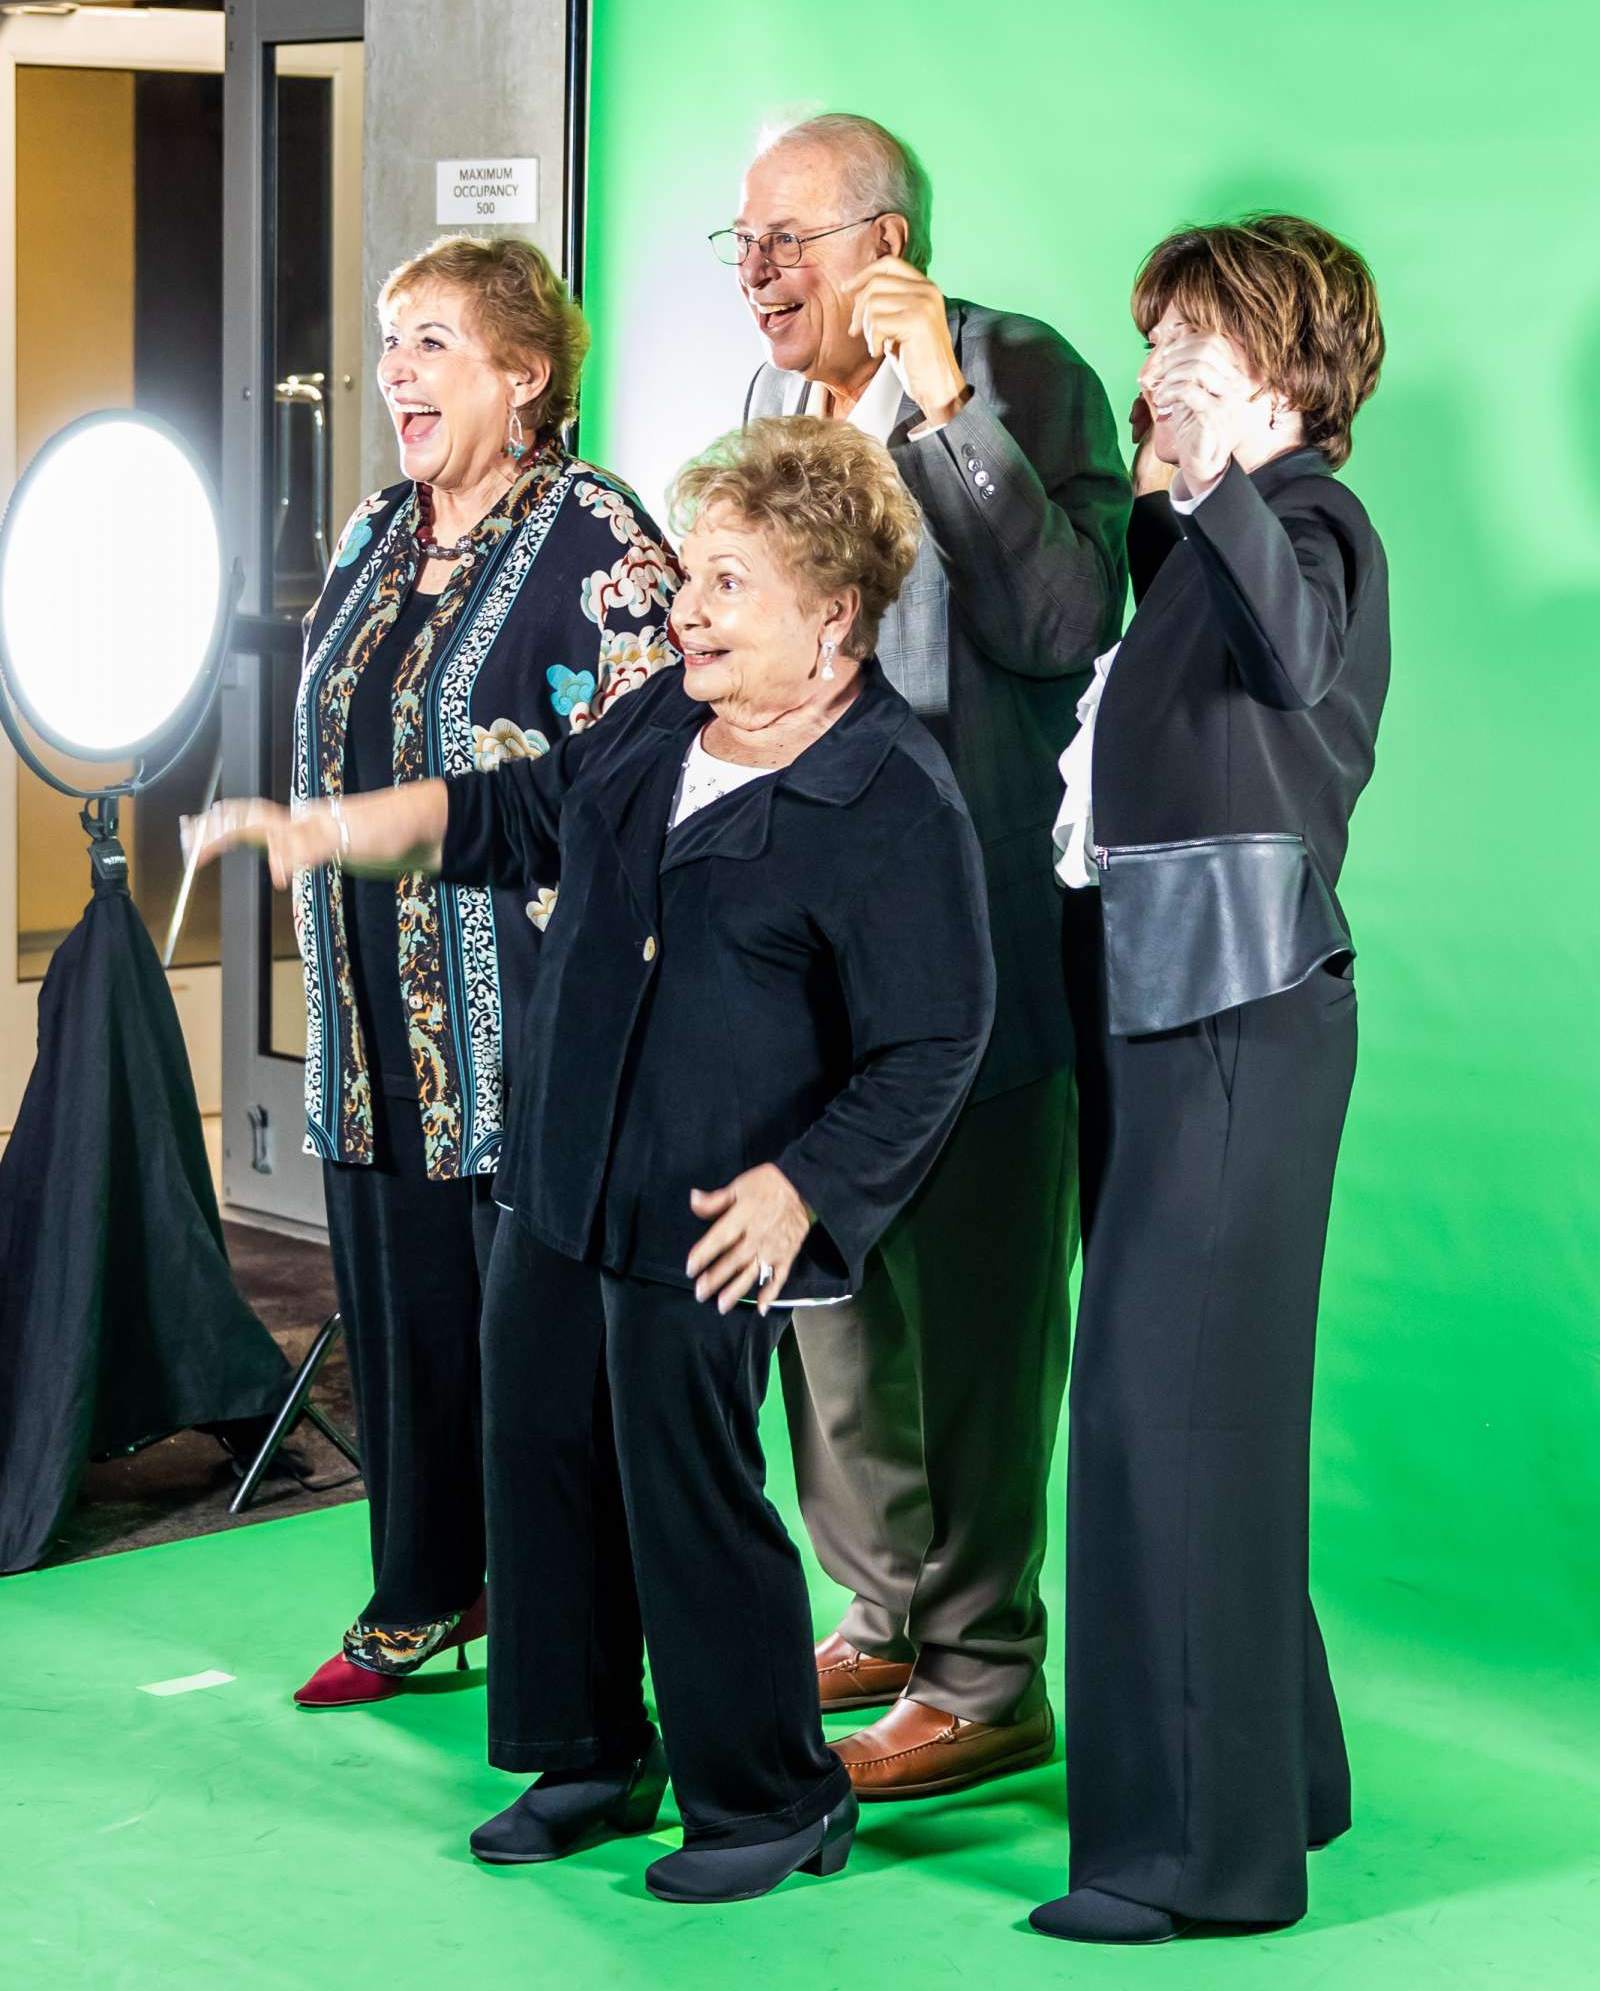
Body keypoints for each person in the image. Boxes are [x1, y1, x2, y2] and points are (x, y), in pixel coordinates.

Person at [188, 414, 996, 1903]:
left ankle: (768, 1800)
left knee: (685, 1488)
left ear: (832, 615)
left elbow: (936, 1039)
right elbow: (519, 810)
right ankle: (588, 1756)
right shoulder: (661, 725)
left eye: (731, 583)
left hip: (710, 1208)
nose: (687, 606)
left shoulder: (891, 794)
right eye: (694, 572)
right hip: (562, 1173)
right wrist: (334, 830)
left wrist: (809, 1185)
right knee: (545, 1456)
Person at [722, 112, 1128, 1795]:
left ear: (888, 246)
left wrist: (946, 410)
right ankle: (882, 1609)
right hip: (807, 951)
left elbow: (1059, 623)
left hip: (974, 950)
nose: (759, 276)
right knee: (832, 1301)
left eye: (790, 243)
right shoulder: (769, 411)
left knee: (970, 1312)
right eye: (741, 245)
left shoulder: (1022, 373)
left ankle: (984, 1667)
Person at [1033, 215, 1390, 1947]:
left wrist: (1225, 473)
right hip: (1166, 1013)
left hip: (1240, 1018)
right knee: (1202, 1422)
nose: (1159, 366)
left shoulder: (1310, 520)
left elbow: (1301, 660)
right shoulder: (1200, 544)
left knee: (1154, 1424)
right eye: (1155, 334)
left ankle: (1197, 1861)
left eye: (1197, 338)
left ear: (1287, 360)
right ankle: (1287, 1774)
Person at [272, 233, 676, 1708]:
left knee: (537, 1366)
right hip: (374, 1025)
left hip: (530, 1032)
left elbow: (642, 787)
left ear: (525, 373)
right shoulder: (379, 530)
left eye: (432, 342)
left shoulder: (599, 537)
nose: (396, 373)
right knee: (404, 1327)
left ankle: (570, 1654)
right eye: (391, 343)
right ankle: (424, 1594)